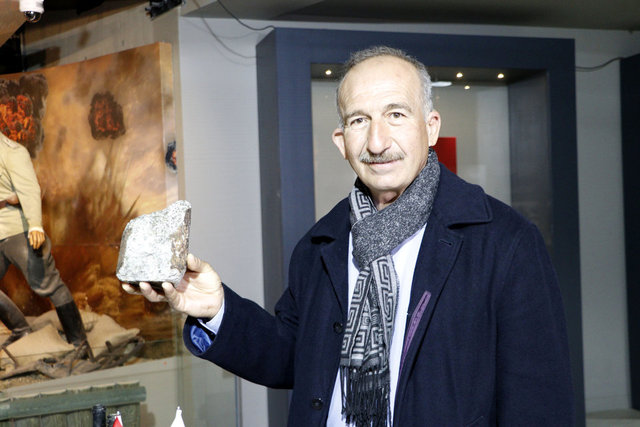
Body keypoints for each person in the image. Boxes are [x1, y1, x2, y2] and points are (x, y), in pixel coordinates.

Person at [124, 46, 575, 426]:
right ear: (342, 142)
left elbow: (538, 402)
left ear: (431, 127)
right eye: (360, 120)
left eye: (396, 114)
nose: (377, 142)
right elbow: (293, 355)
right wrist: (217, 309)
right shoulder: (322, 244)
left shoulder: (504, 243)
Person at [0, 130, 88, 350]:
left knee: (47, 283)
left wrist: (35, 225)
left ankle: (79, 342)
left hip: (18, 231)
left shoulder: (12, 152)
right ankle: (20, 330)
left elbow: (29, 190)